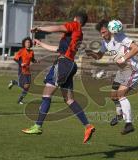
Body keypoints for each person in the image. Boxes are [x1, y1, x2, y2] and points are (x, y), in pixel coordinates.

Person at [21, 12, 95, 144]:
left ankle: (38, 126)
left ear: (76, 19)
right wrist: (41, 43)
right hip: (70, 64)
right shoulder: (77, 35)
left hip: (63, 64)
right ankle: (88, 126)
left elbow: (59, 27)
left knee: (46, 94)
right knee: (69, 99)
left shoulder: (75, 25)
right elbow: (58, 49)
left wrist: (40, 28)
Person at [87, 20, 138, 135]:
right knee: (113, 96)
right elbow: (99, 56)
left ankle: (129, 124)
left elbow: (136, 48)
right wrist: (91, 53)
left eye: (104, 32)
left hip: (131, 69)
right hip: (122, 71)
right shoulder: (105, 42)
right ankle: (119, 114)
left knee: (121, 94)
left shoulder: (119, 37)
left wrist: (124, 58)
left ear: (110, 30)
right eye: (101, 33)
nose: (102, 35)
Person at [8, 37, 38, 104]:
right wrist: (20, 63)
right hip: (21, 70)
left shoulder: (32, 52)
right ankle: (15, 84)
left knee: (27, 87)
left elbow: (32, 59)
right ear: (24, 44)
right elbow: (15, 59)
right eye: (26, 42)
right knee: (24, 86)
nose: (28, 43)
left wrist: (35, 61)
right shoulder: (21, 51)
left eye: (29, 42)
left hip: (28, 70)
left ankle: (19, 99)